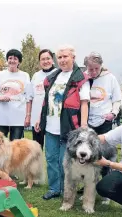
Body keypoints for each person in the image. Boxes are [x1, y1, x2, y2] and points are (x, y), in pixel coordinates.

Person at [34, 45, 90, 200]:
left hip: (69, 126)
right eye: (59, 57)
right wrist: (39, 118)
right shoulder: (52, 77)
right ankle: (54, 188)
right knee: (51, 158)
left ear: (73, 57)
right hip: (51, 126)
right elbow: (46, 101)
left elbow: (84, 103)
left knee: (64, 161)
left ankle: (68, 189)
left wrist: (83, 124)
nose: (62, 60)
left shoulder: (80, 78)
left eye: (66, 56)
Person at [0, 49, 32, 140]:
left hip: (18, 118)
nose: (12, 61)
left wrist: (28, 116)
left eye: (15, 59)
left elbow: (28, 97)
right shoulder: (0, 74)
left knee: (16, 147)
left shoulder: (25, 75)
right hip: (1, 117)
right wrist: (0, 98)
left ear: (19, 61)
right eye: (10, 58)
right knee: (0, 145)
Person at [84, 52, 122, 135]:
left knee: (105, 147)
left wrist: (113, 113)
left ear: (101, 65)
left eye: (97, 68)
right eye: (91, 69)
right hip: (87, 121)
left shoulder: (110, 78)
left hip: (104, 120)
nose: (94, 72)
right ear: (86, 67)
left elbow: (117, 99)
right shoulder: (83, 78)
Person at [30, 49, 57, 149]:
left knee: (52, 150)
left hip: (53, 119)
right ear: (39, 62)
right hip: (37, 118)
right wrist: (29, 116)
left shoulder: (59, 74)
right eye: (42, 59)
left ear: (53, 60)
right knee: (36, 150)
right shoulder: (36, 76)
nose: (45, 61)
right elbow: (30, 97)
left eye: (48, 58)